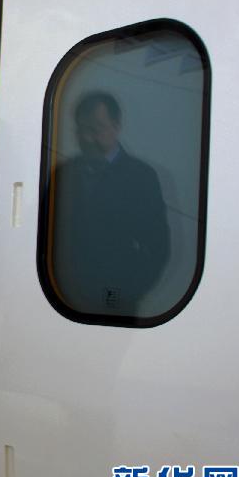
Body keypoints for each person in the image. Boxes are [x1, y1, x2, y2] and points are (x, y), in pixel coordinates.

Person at [52, 90, 170, 313]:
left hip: (117, 301)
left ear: (116, 127)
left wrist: (124, 294)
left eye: (96, 129)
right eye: (82, 130)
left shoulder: (141, 176)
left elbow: (157, 246)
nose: (87, 138)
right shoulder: (64, 173)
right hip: (62, 297)